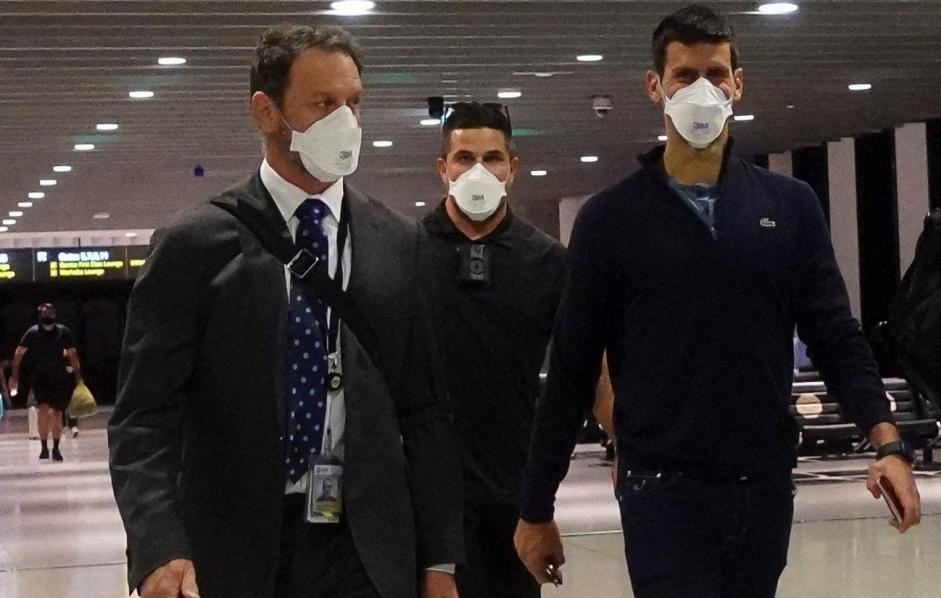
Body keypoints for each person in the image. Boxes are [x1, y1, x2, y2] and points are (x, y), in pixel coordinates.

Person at [514, 6, 922, 598]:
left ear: (738, 83)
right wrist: (535, 507)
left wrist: (886, 441)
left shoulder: (789, 205)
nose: (701, 89)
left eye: (715, 72)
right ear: (656, 86)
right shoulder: (611, 220)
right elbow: (573, 366)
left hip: (763, 486)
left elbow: (835, 334)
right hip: (662, 490)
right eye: (684, 75)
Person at [108, 25, 462, 598]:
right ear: (266, 112)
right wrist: (158, 546)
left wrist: (441, 560)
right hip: (232, 544)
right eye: (323, 104)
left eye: (353, 103)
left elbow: (424, 411)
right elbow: (144, 417)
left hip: (363, 542)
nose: (344, 121)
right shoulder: (196, 244)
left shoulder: (397, 243)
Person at [420, 102, 567, 598]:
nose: (478, 170)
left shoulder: (546, 262)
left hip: (514, 495)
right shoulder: (404, 255)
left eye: (493, 157)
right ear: (443, 169)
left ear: (512, 169)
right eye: (463, 157)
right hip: (424, 495)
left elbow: (590, 373)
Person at [9, 303, 82, 462]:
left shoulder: (63, 332)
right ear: (39, 316)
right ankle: (43, 447)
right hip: (40, 378)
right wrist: (14, 375)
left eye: (49, 312)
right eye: (44, 313)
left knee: (56, 413)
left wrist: (78, 378)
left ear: (54, 315)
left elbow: (73, 355)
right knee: (43, 411)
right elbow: (19, 354)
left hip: (59, 378)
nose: (47, 316)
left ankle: (55, 448)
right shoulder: (32, 333)